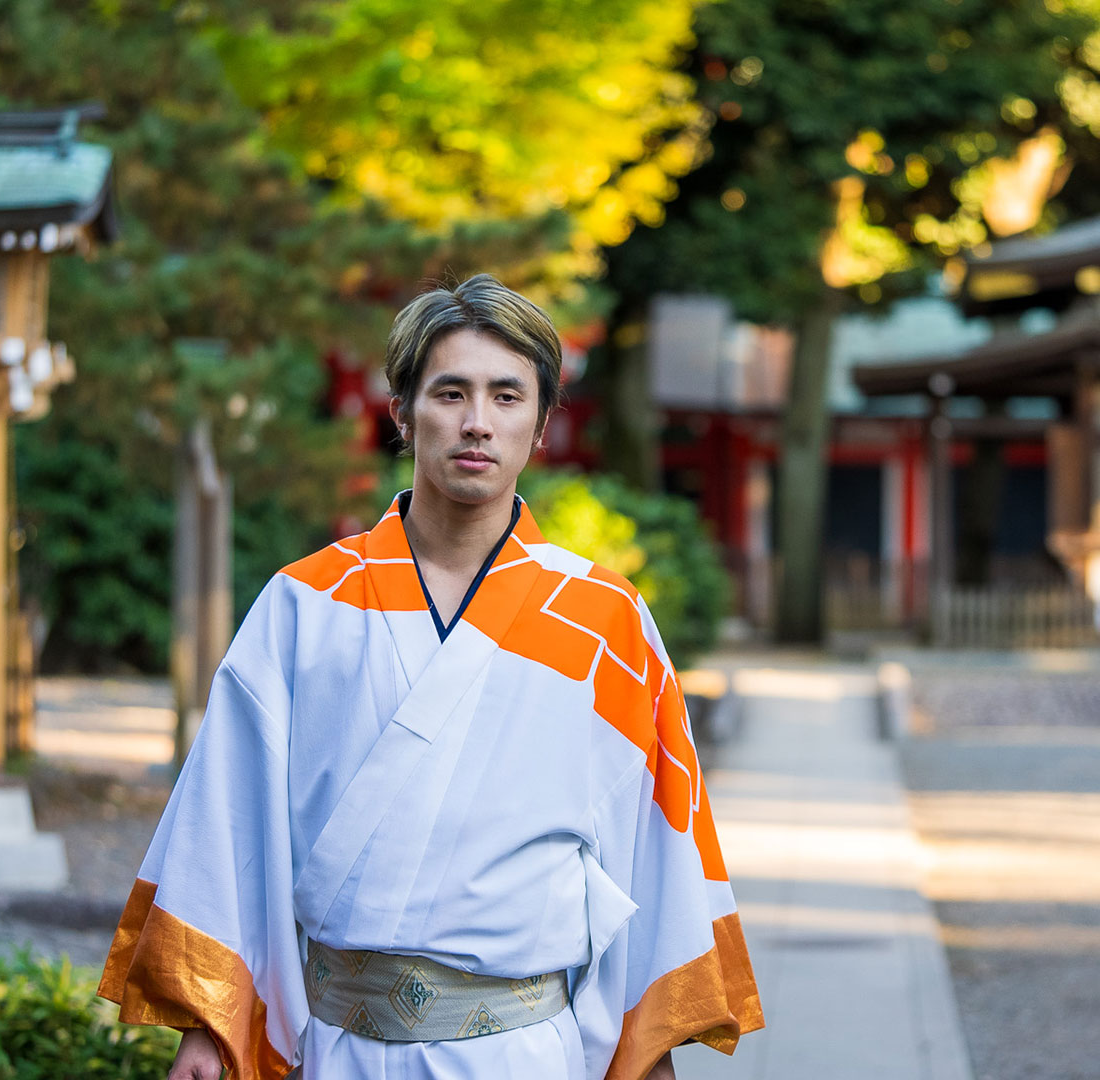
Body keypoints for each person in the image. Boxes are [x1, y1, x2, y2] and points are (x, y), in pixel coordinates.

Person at [100, 275, 762, 1079]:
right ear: (402, 412)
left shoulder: (604, 621)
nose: (477, 423)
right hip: (341, 1045)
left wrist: (649, 1048)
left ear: (541, 423)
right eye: (450, 392)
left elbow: (656, 842)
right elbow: (228, 817)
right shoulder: (305, 604)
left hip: (522, 1050)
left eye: (507, 396)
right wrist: (208, 1026)